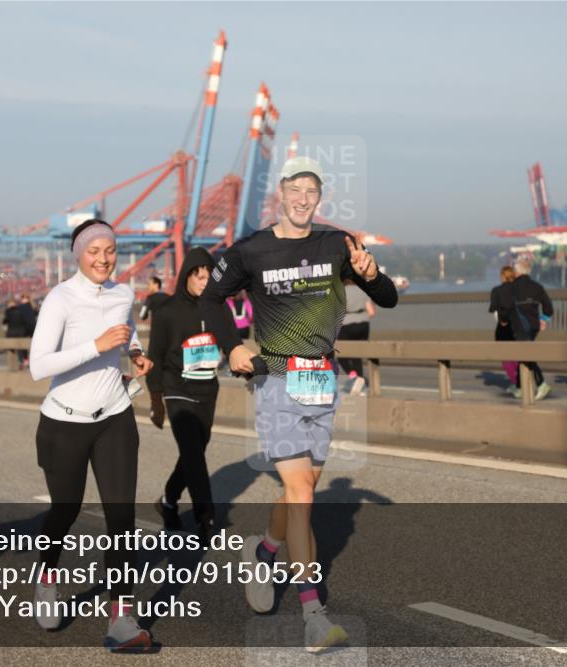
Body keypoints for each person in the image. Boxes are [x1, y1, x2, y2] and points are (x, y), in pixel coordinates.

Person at [199, 156, 399, 654]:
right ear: (282, 194)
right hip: (274, 380)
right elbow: (208, 300)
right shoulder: (251, 250)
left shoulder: (336, 244)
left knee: (301, 489)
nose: (303, 198)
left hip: (320, 381)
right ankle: (315, 615)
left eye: (312, 191)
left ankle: (263, 550)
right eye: (295, 189)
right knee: (302, 494)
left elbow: (389, 297)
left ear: (319, 197)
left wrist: (371, 277)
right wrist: (232, 347)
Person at [27, 219, 154, 651]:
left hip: (115, 416)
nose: (103, 259)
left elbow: (127, 326)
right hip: (63, 422)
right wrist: (97, 346)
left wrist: (135, 351)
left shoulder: (123, 293)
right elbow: (38, 366)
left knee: (121, 518)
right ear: (79, 255)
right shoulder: (60, 298)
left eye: (110, 250)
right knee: (65, 510)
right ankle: (46, 576)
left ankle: (121, 617)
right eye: (94, 251)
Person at [146, 247, 225, 539]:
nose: (204, 282)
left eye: (209, 277)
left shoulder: (217, 307)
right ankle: (207, 518)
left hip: (207, 388)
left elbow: (229, 341)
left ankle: (168, 500)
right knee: (193, 453)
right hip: (176, 388)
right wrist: (156, 399)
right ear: (187, 277)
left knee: (194, 453)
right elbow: (154, 354)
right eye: (199, 276)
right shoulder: (166, 311)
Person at [495, 257, 553, 400]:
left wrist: (503, 320)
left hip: (519, 327)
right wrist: (543, 320)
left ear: (517, 271)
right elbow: (548, 308)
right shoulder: (537, 287)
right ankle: (520, 387)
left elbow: (504, 310)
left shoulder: (511, 288)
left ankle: (541, 384)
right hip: (534, 327)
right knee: (523, 355)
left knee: (526, 355)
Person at [338, 279, 376, 395]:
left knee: (341, 354)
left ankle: (354, 376)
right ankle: (360, 385)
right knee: (357, 355)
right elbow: (371, 312)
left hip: (347, 324)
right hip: (364, 324)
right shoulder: (363, 290)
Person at [488, 265, 519, 393]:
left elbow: (492, 308)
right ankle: (521, 380)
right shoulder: (518, 290)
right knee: (517, 355)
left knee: (506, 357)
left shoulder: (496, 290)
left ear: (502, 276)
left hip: (502, 327)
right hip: (517, 327)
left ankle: (516, 382)